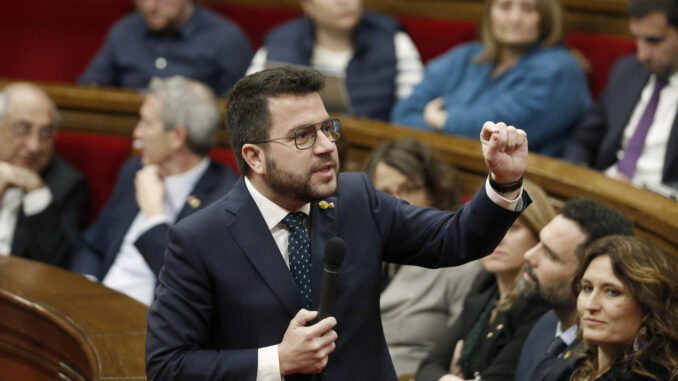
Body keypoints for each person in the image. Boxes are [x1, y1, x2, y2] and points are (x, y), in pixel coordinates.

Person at [145, 66, 531, 380]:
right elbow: (168, 366)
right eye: (302, 136)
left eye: (327, 128)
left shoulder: (356, 199)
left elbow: (456, 239)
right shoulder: (199, 239)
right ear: (255, 157)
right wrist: (277, 360)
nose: (327, 145)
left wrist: (504, 183)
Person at [70, 76, 237, 305]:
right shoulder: (134, 170)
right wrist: (84, 286)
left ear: (177, 137)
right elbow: (93, 245)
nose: (137, 133)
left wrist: (154, 216)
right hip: (94, 305)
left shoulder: (224, 199)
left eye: (147, 123)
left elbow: (187, 286)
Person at [391, 0, 591, 157]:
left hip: (516, 186)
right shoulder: (465, 56)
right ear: (490, 14)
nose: (514, 18)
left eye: (528, 9)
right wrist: (444, 126)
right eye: (504, 6)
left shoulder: (561, 69)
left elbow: (499, 134)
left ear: (547, 17)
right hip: (439, 166)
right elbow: (403, 114)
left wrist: (441, 119)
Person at [362, 138, 482, 376]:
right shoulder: (361, 248)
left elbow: (461, 349)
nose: (396, 201)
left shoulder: (461, 263)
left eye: (408, 189)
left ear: (434, 192)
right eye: (384, 193)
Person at [415, 181, 554, 381]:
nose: (498, 237)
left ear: (539, 236)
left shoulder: (538, 299)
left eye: (513, 228)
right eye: (491, 226)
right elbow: (430, 365)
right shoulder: (485, 285)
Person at [564, 0, 678, 195]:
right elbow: (582, 140)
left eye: (653, 40)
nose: (642, 54)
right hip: (606, 191)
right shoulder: (626, 71)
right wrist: (578, 178)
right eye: (637, 38)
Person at [513, 198, 633, 381]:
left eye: (550, 255)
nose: (529, 255)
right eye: (539, 243)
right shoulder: (546, 323)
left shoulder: (602, 361)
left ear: (586, 275)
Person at [246, 0, 423, 121]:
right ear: (307, 4)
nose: (343, 2)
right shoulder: (280, 42)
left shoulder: (394, 42)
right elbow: (248, 107)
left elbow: (413, 114)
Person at [78, 0, 253, 95]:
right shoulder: (124, 30)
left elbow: (238, 110)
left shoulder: (227, 39)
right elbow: (90, 90)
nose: (149, 6)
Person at [564, 235, 678, 381]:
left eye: (612, 292)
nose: (590, 305)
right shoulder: (577, 365)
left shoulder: (650, 376)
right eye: (587, 288)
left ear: (648, 306)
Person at [0, 83, 88, 268]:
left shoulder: (68, 185)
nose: (34, 146)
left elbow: (58, 264)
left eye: (45, 134)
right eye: (22, 130)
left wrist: (35, 189)